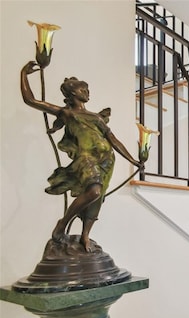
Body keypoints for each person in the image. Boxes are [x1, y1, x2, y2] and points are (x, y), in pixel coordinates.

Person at [21, 61, 141, 252]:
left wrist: (133, 160)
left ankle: (85, 235)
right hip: (86, 159)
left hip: (106, 160)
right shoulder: (67, 113)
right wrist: (24, 75)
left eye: (87, 89)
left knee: (97, 198)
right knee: (93, 192)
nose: (87, 92)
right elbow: (31, 100)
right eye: (83, 89)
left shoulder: (97, 117)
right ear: (73, 93)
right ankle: (63, 223)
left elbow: (114, 140)